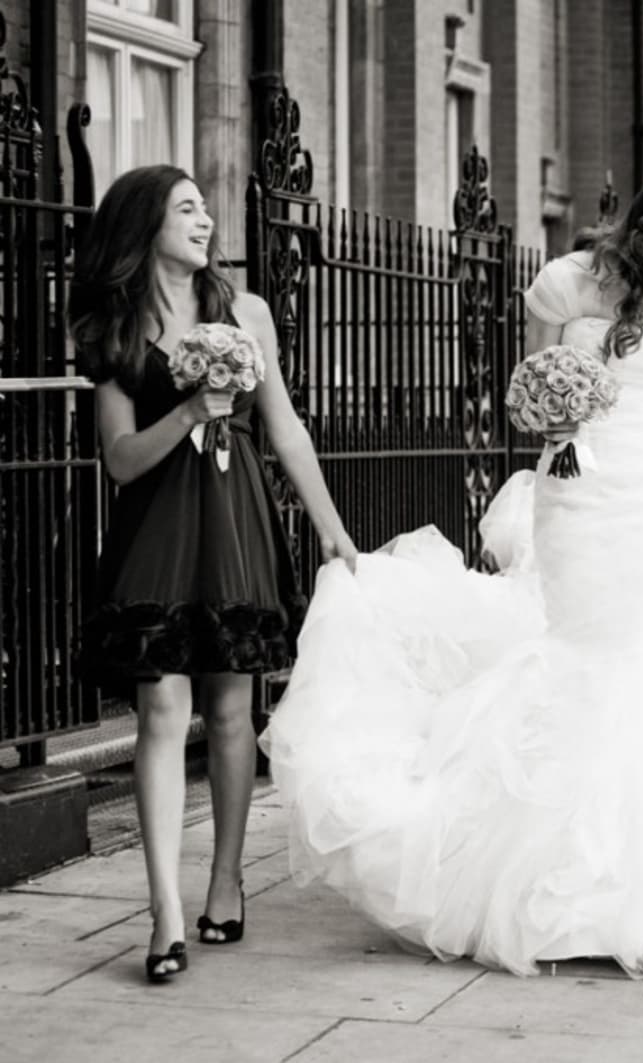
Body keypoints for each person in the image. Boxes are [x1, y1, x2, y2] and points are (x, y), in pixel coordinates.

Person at [261, 169, 643, 976]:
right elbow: (528, 400)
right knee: (586, 665)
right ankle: (565, 893)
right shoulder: (564, 287)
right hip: (582, 503)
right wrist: (554, 416)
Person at [68, 165, 358, 983]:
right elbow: (121, 460)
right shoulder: (113, 325)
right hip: (156, 526)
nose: (205, 221)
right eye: (186, 208)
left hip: (236, 520)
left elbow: (287, 428)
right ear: (144, 224)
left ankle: (226, 879)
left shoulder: (248, 312)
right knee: (163, 704)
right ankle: (163, 909)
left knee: (232, 705)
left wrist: (332, 528)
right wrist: (191, 409)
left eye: (205, 209)